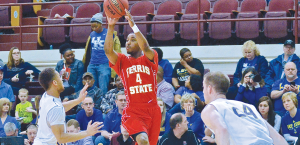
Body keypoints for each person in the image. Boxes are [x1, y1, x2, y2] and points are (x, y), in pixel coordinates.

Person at [104, 10, 161, 145]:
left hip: (153, 109)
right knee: (142, 140)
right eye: (127, 40)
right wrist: (111, 26)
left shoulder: (150, 58)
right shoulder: (122, 61)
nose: (127, 43)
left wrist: (133, 26)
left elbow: (146, 46)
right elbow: (108, 51)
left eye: (132, 40)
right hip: (133, 110)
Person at [201, 71, 288, 145]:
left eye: (203, 87)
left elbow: (222, 130)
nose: (203, 91)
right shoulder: (249, 107)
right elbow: (277, 137)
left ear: (209, 89)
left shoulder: (212, 107)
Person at [33, 68, 103, 145]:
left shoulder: (46, 96)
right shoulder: (55, 107)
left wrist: (78, 100)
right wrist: (87, 133)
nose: (62, 79)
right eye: (59, 77)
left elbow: (61, 107)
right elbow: (61, 138)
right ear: (55, 83)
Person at [82, 13, 121, 94]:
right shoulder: (91, 34)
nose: (94, 28)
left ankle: (103, 104)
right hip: (92, 64)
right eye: (92, 27)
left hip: (104, 64)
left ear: (101, 24)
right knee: (90, 87)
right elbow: (88, 50)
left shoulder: (109, 33)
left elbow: (116, 50)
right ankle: (92, 103)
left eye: (96, 26)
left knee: (103, 87)